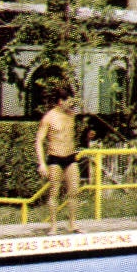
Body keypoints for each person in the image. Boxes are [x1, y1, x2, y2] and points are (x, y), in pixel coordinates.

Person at [34, 88, 81, 233]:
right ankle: (53, 226)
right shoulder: (49, 117)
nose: (71, 105)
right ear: (61, 102)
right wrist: (42, 163)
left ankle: (72, 224)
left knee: (74, 191)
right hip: (55, 157)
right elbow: (39, 141)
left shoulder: (71, 115)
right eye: (69, 102)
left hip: (70, 157)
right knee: (54, 192)